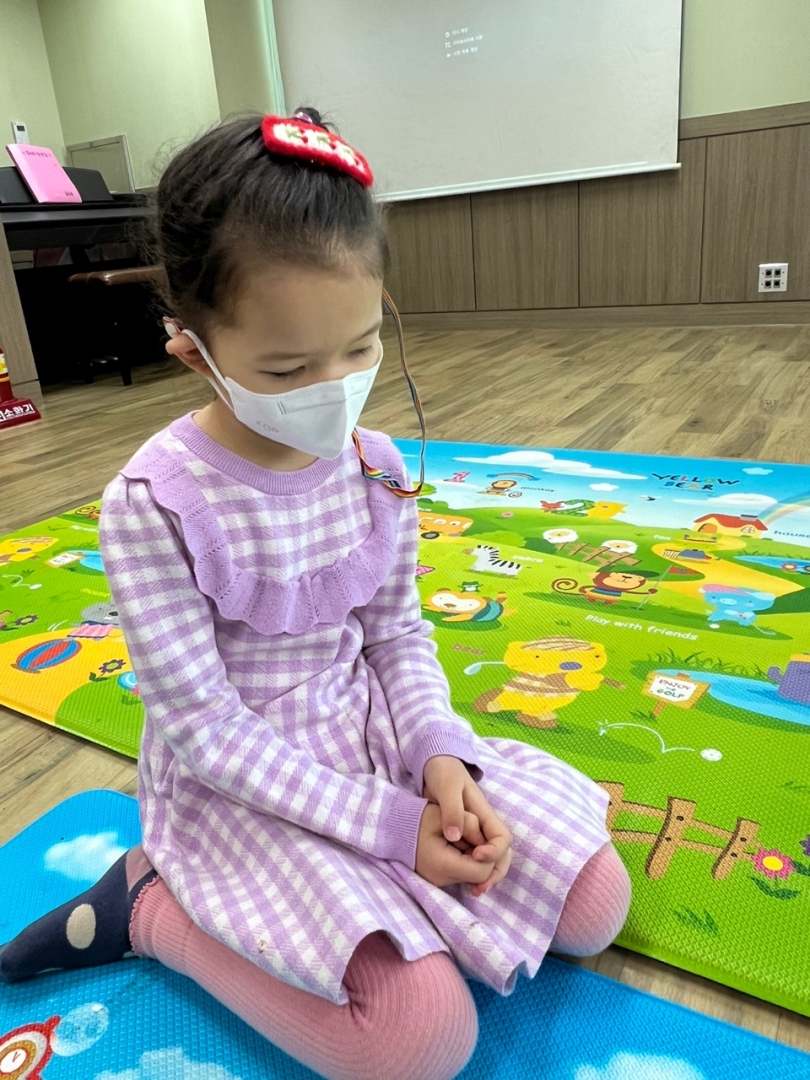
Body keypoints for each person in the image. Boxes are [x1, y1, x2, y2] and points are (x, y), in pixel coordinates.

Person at [0, 109, 630, 1080]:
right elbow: (207, 734)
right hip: (243, 785)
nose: (333, 390)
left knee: (594, 903)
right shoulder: (154, 504)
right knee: (421, 1038)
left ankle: (403, 868)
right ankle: (152, 910)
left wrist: (440, 760)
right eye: (288, 369)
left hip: (371, 737)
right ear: (192, 348)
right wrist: (395, 831)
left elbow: (398, 637)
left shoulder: (377, 468)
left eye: (361, 348)